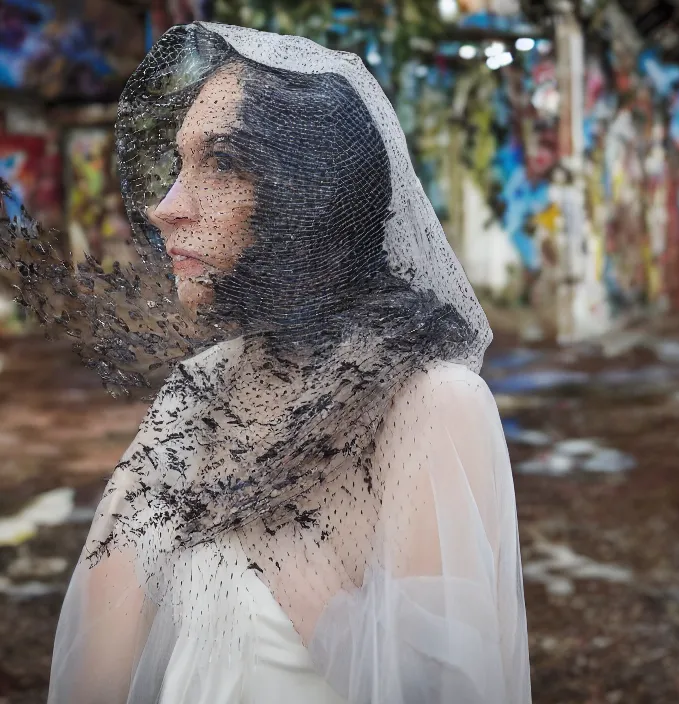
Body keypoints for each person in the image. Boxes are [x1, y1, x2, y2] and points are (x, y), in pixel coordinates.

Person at [30, 22, 530, 703]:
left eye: (222, 162)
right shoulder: (198, 392)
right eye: (179, 165)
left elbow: (435, 689)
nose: (164, 207)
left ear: (309, 194)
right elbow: (96, 670)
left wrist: (259, 502)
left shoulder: (429, 405)